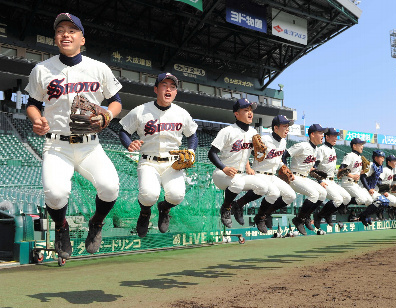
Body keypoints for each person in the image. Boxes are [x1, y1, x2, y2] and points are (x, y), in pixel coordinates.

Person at [25, 13, 122, 259]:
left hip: (91, 146)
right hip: (57, 146)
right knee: (55, 195)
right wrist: (37, 119)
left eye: (72, 30)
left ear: (82, 39)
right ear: (56, 39)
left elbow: (115, 102)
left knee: (110, 188)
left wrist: (108, 116)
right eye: (60, 30)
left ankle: (97, 223)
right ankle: (62, 227)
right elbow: (33, 104)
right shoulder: (42, 69)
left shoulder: (98, 68)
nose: (65, 34)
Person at [119, 73, 198, 237]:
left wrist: (191, 150)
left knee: (176, 196)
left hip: (173, 163)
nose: (168, 89)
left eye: (173, 87)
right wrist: (129, 143)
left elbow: (192, 135)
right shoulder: (141, 110)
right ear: (156, 89)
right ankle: (145, 213)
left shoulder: (182, 113)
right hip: (148, 161)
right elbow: (124, 131)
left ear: (175, 93)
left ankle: (165, 208)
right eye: (164, 85)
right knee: (149, 195)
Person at [208, 98, 269, 228]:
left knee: (263, 187)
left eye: (251, 110)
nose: (250, 113)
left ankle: (238, 204)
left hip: (240, 175)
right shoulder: (227, 131)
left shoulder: (253, 133)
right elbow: (211, 153)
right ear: (236, 114)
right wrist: (224, 168)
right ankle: (226, 208)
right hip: (222, 174)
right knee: (238, 183)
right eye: (246, 110)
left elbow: (251, 154)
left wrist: (259, 153)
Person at [241, 115, 296, 233]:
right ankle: (260, 217)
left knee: (291, 196)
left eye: (288, 126)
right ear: (276, 128)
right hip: (260, 173)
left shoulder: (283, 142)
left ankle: (266, 213)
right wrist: (248, 167)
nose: (287, 129)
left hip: (272, 175)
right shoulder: (265, 139)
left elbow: (278, 159)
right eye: (284, 126)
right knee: (274, 193)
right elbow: (245, 151)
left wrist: (285, 168)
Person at [281, 124, 327, 235]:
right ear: (312, 134)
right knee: (314, 194)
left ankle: (306, 217)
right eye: (320, 133)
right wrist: (286, 170)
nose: (322, 135)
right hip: (294, 177)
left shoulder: (315, 149)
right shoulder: (302, 145)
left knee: (323, 193)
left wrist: (315, 172)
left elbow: (307, 166)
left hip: (304, 177)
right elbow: (284, 155)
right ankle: (299, 219)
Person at [313, 127, 350, 228]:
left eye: (336, 136)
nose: (335, 138)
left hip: (332, 180)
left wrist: (339, 172)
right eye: (333, 136)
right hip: (324, 180)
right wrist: (320, 180)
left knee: (347, 198)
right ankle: (319, 216)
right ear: (327, 137)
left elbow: (330, 166)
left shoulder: (333, 150)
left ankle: (327, 213)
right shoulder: (321, 149)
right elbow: (315, 167)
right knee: (338, 199)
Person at [338, 138, 373, 226]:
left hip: (355, 184)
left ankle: (363, 216)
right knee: (362, 199)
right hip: (347, 182)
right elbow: (341, 169)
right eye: (360, 144)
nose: (362, 146)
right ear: (354, 146)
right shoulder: (349, 155)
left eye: (362, 144)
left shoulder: (359, 157)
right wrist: (352, 176)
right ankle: (344, 203)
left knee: (369, 200)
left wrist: (361, 172)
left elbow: (356, 172)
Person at [357, 150, 390, 223]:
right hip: (363, 188)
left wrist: (384, 191)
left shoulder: (379, 167)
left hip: (371, 189)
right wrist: (368, 189)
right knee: (378, 201)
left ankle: (364, 215)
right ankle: (365, 216)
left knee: (385, 202)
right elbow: (363, 177)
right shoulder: (371, 165)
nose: (383, 159)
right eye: (381, 157)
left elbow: (377, 180)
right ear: (376, 158)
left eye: (383, 157)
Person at [381, 155, 396, 220]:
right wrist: (383, 191)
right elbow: (378, 181)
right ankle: (379, 211)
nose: (395, 162)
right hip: (380, 191)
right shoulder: (385, 170)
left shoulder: (391, 171)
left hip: (386, 191)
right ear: (388, 162)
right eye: (394, 161)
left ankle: (389, 209)